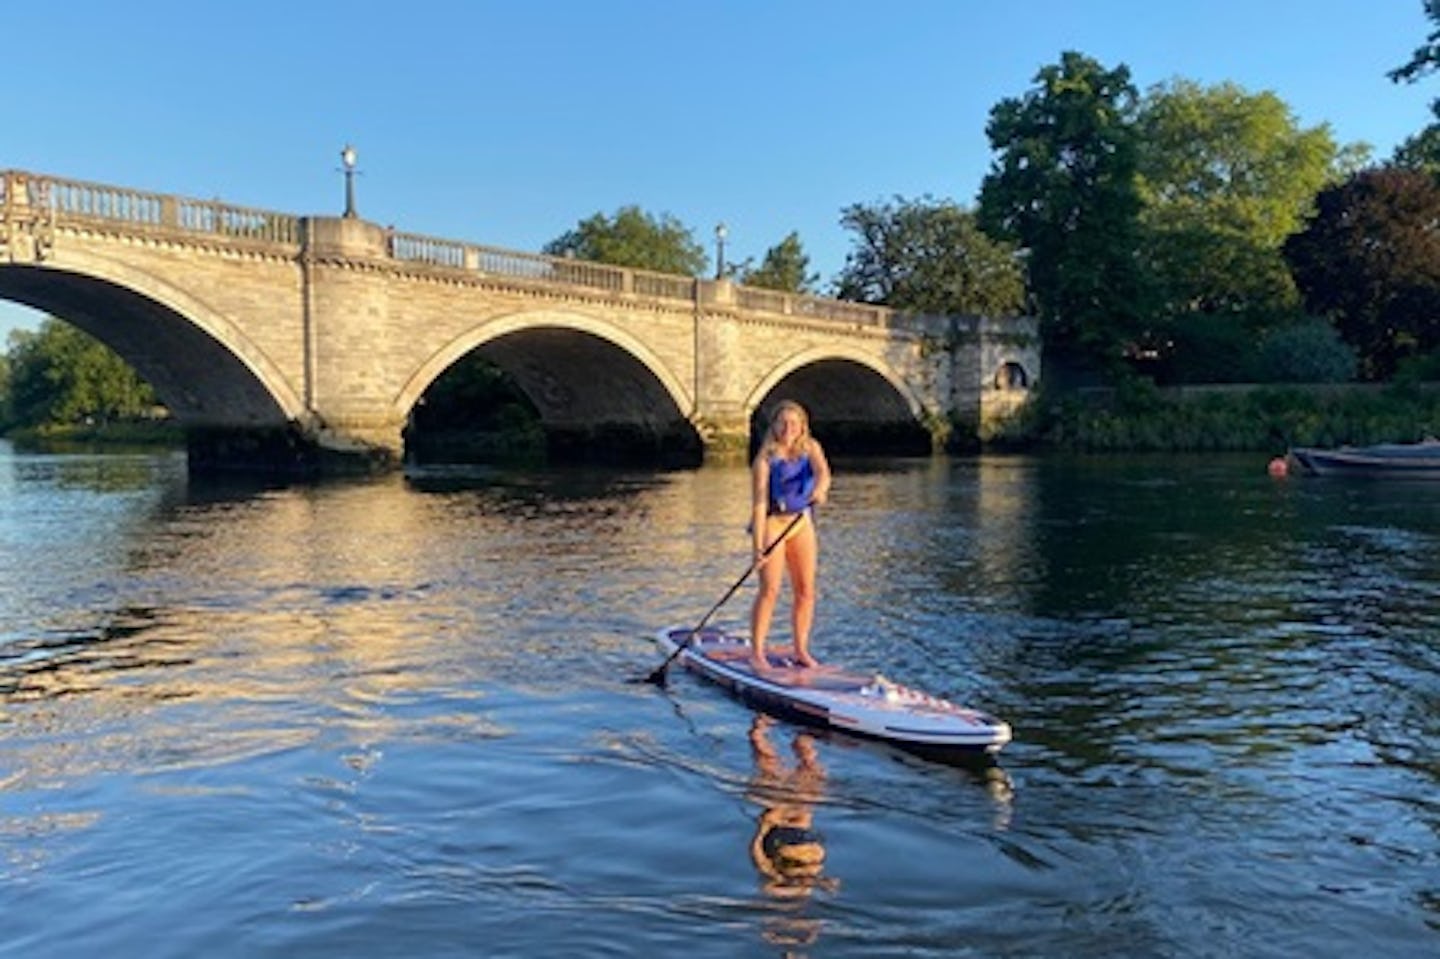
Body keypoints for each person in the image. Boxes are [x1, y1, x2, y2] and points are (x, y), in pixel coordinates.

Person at [749, 399, 831, 671]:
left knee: (806, 591)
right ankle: (757, 652)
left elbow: (823, 473)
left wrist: (820, 489)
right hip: (773, 523)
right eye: (783, 423)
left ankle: (800, 650)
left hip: (800, 522)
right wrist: (758, 548)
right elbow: (759, 505)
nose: (788, 428)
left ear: (802, 427)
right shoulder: (764, 460)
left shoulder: (811, 448)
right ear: (773, 426)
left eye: (794, 423)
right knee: (770, 589)